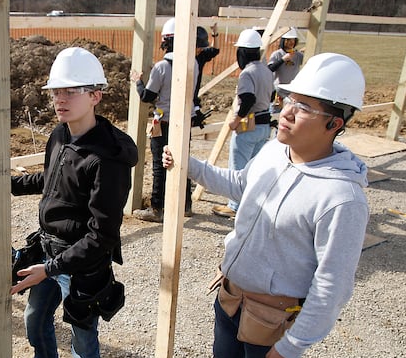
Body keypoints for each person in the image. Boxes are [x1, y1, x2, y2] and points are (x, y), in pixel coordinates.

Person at [162, 53, 369, 358]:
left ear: (335, 123)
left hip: (270, 319)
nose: (285, 112)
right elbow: (240, 185)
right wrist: (189, 166)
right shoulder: (274, 152)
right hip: (231, 299)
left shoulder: (341, 198)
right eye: (288, 99)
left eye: (303, 108)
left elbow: (333, 283)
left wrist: (293, 345)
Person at [10, 47, 138, 358]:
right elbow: (49, 179)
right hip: (48, 250)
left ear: (95, 95)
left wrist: (50, 270)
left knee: (83, 342)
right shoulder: (60, 134)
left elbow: (101, 237)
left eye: (70, 91)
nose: (59, 99)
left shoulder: (107, 160)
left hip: (82, 263)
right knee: (35, 322)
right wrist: (5, 184)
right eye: (55, 91)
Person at [130, 18, 199, 222]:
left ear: (167, 41)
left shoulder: (162, 67)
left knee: (160, 165)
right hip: (184, 121)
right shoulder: (192, 63)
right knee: (182, 163)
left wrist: (138, 82)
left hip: (164, 122)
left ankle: (157, 209)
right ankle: (185, 206)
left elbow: (147, 97)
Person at [211, 29, 274, 218]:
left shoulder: (247, 73)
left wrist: (236, 120)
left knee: (238, 168)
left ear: (243, 52)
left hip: (249, 125)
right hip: (264, 124)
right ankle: (250, 203)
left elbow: (247, 99)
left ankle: (235, 206)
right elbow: (271, 96)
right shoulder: (266, 70)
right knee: (254, 168)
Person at [267, 28, 304, 107]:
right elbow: (270, 69)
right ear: (283, 41)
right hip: (279, 91)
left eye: (293, 40)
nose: (291, 42)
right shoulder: (277, 54)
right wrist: (283, 60)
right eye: (288, 40)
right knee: (275, 112)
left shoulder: (298, 55)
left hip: (292, 90)